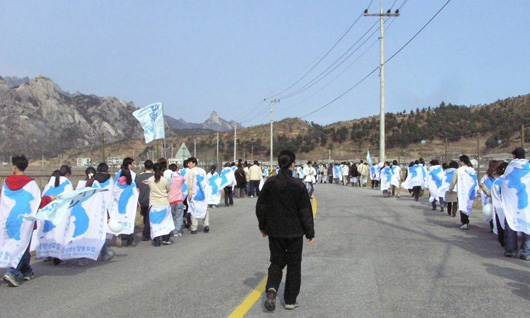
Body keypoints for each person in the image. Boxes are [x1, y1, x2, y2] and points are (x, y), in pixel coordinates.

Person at [256, 150, 315, 311]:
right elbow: (305, 211)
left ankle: (272, 288)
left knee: (276, 262)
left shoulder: (270, 183)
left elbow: (261, 206)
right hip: (295, 232)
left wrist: (263, 226)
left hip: (275, 231)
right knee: (294, 265)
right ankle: (290, 300)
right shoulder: (298, 185)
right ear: (292, 164)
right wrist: (310, 232)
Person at [1, 155, 53, 287]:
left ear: (14, 167)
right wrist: (50, 199)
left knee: (20, 246)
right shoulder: (31, 184)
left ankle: (27, 270)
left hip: (9, 220)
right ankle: (13, 272)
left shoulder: (6, 182)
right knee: (22, 245)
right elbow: (38, 202)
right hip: (24, 222)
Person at [502, 147, 530, 260]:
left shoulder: (510, 167)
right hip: (526, 200)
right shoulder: (528, 166)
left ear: (514, 156)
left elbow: (505, 183)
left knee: (510, 221)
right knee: (527, 223)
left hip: (512, 202)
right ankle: (526, 252)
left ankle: (511, 250)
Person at [449, 155, 478, 230]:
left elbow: (453, 181)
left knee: (463, 206)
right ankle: (466, 220)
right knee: (468, 206)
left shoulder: (458, 170)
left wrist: (451, 189)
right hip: (471, 191)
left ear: (462, 162)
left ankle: (465, 222)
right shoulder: (472, 170)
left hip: (462, 192)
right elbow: (475, 180)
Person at [148, 163, 173, 246]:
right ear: (162, 170)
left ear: (153, 170)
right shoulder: (164, 180)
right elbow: (168, 189)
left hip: (153, 203)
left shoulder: (150, 180)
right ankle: (165, 239)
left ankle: (156, 238)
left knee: (154, 222)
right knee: (166, 222)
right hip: (164, 203)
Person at [186, 157, 210, 234]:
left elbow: (190, 184)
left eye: (189, 163)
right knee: (204, 209)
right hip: (203, 193)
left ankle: (194, 227)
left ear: (194, 163)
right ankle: (206, 225)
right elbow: (206, 182)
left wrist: (189, 195)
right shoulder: (202, 170)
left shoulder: (191, 171)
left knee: (194, 210)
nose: (188, 164)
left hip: (195, 194)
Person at [136, 160, 154, 241]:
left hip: (142, 199)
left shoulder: (139, 177)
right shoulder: (154, 176)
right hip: (152, 200)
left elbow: (136, 189)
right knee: (148, 217)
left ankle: (146, 232)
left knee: (146, 215)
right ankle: (146, 234)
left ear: (144, 167)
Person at [480, 160, 500, 232]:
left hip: (488, 196)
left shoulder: (486, 176)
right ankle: (496, 227)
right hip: (495, 196)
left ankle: (492, 227)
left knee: (491, 211)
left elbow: (481, 184)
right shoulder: (498, 176)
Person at [168, 163, 186, 236]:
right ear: (177, 169)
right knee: (179, 216)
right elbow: (184, 179)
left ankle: (171, 231)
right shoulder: (180, 178)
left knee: (171, 216)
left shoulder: (168, 179)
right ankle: (177, 231)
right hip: (179, 200)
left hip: (170, 200)